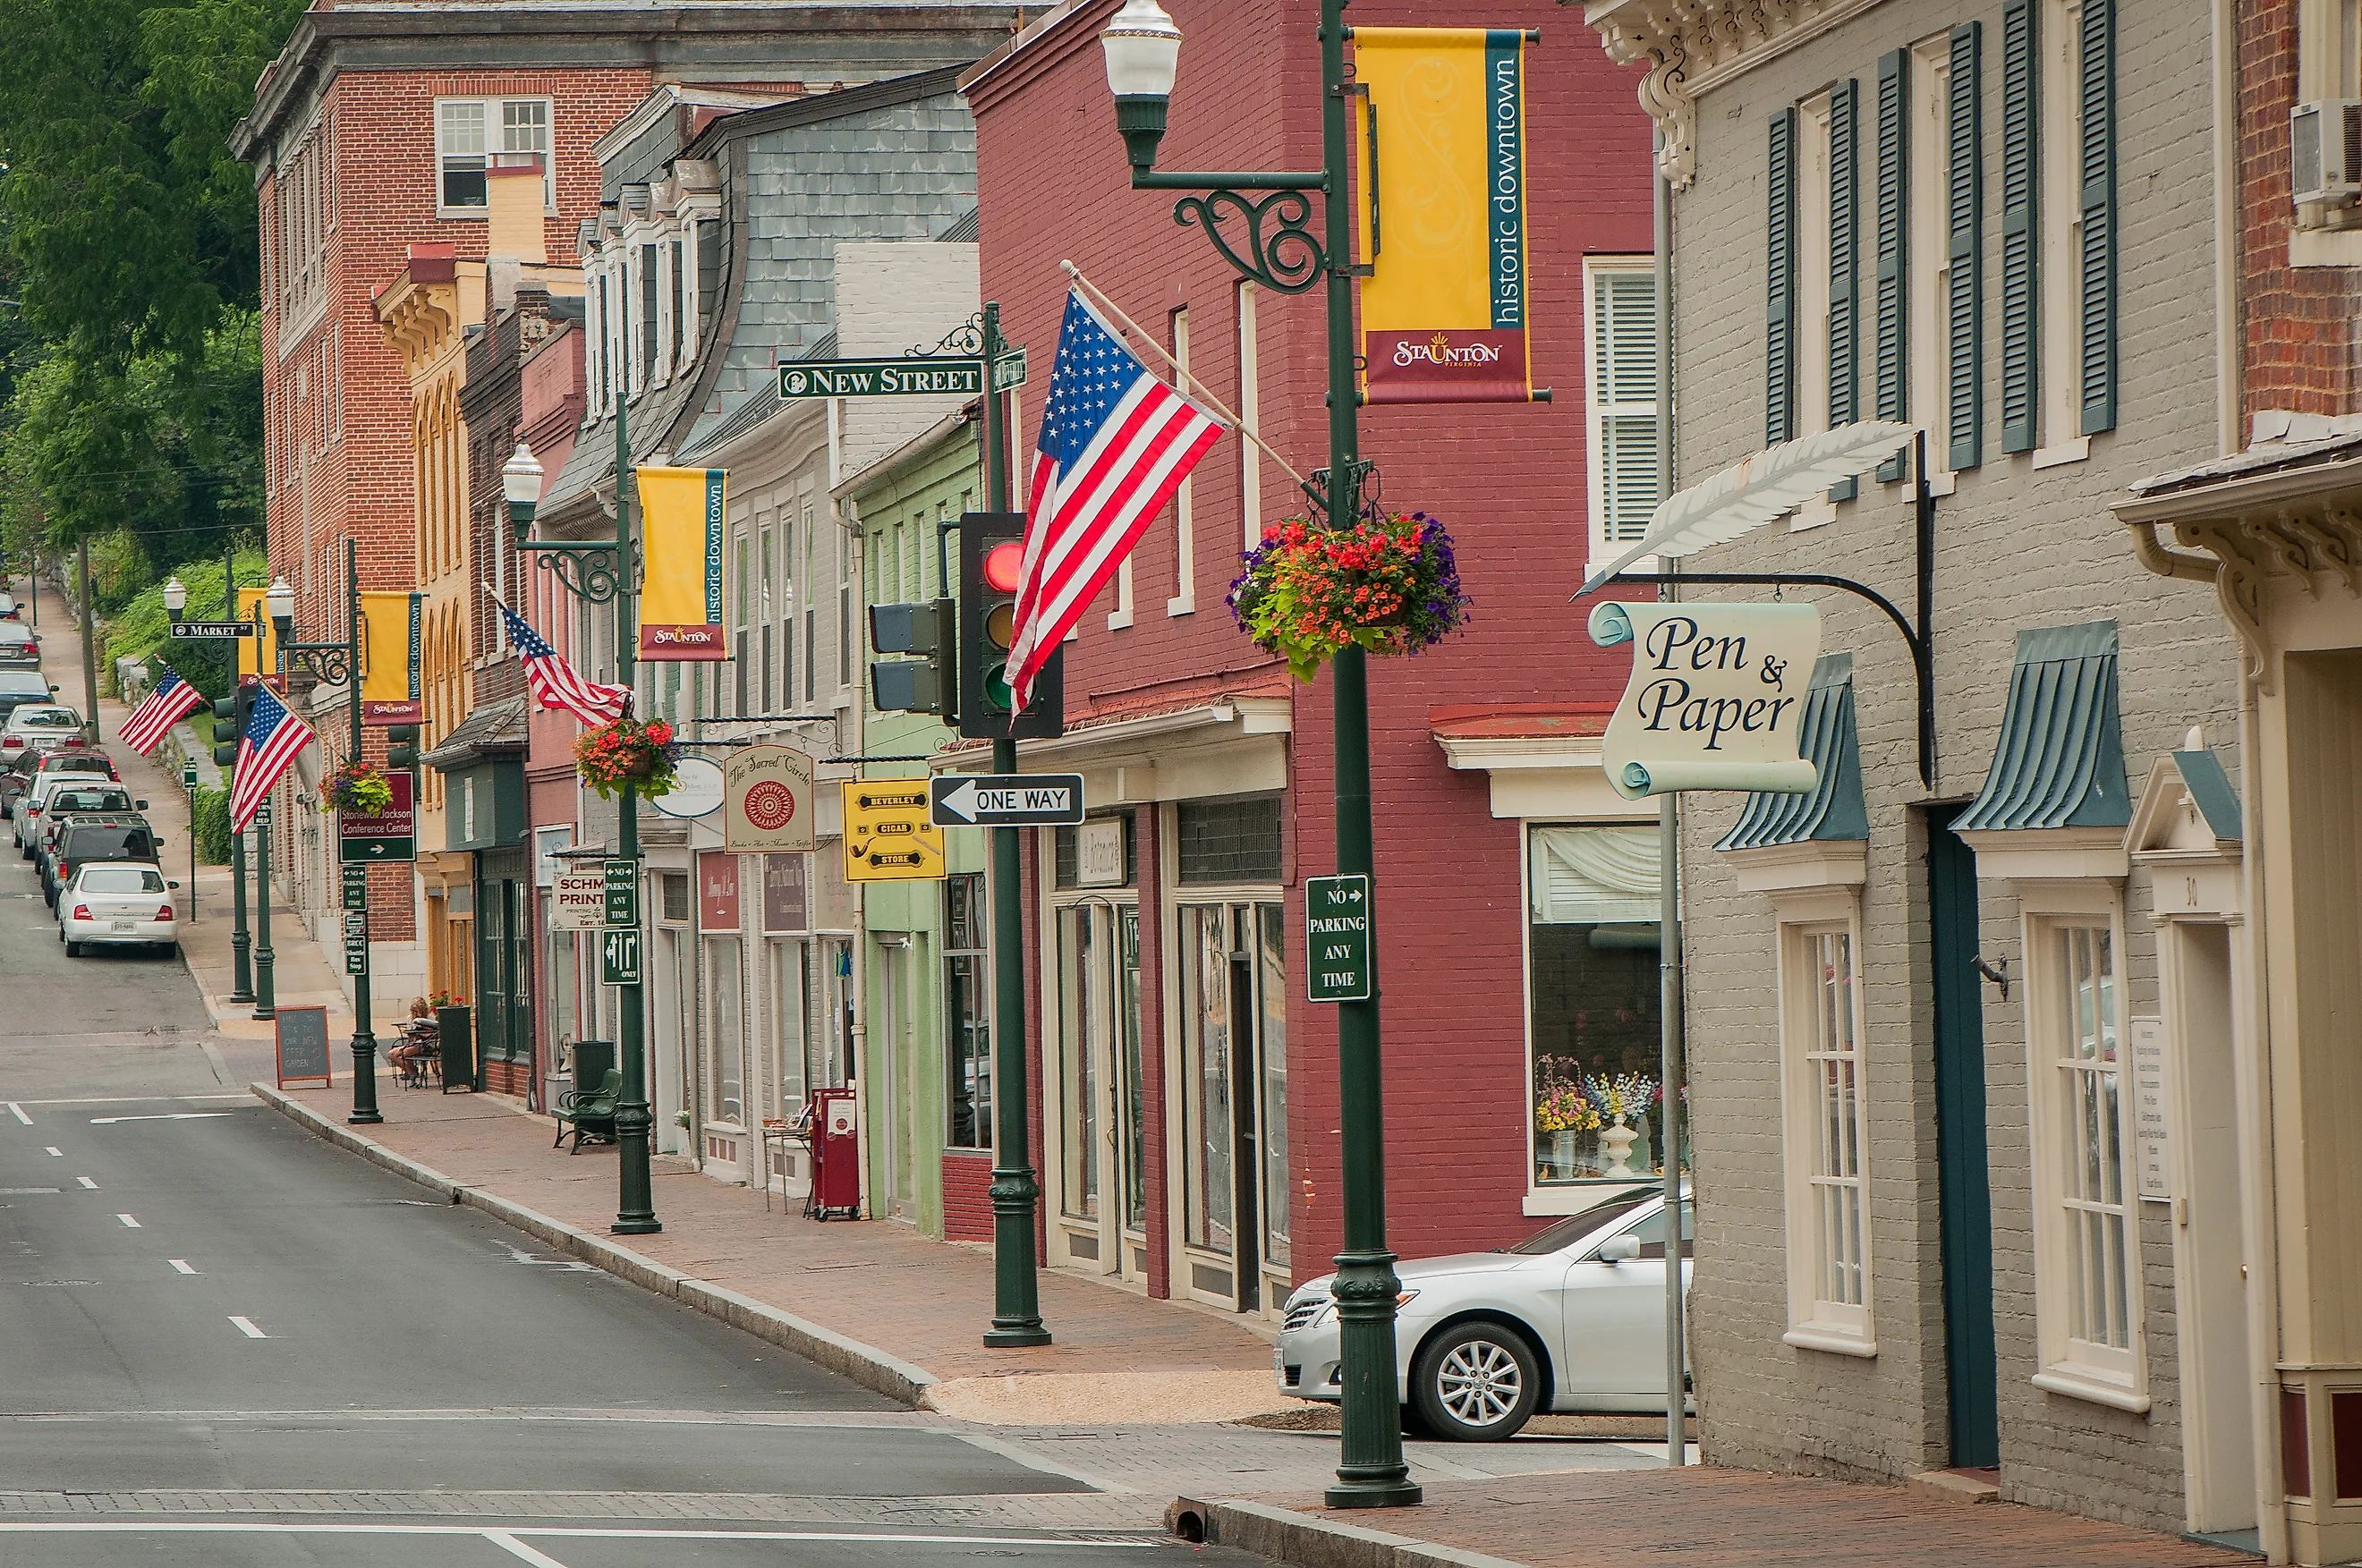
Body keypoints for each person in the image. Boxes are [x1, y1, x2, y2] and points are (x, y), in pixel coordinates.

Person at [389, 998, 437, 1081]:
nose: (417, 1013)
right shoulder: (410, 1018)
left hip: (426, 1044)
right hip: (413, 1043)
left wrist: (421, 1034)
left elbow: (433, 1033)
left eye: (419, 1010)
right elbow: (409, 1034)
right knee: (391, 1054)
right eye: (414, 1011)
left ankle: (411, 1075)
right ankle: (411, 1071)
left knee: (405, 1053)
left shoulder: (430, 1017)